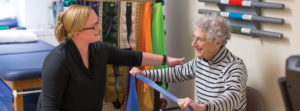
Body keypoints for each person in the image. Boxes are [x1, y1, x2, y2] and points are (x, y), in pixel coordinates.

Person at [37, 5, 184, 111]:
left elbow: (132, 57)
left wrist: (166, 59)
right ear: (77, 33)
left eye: (98, 23)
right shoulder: (57, 62)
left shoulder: (99, 49)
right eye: (94, 26)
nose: (99, 28)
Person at [130, 13, 247, 111]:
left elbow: (233, 98)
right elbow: (176, 73)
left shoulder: (234, 66)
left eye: (199, 39)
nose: (193, 44)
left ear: (218, 42)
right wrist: (145, 74)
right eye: (193, 37)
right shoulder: (200, 61)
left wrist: (203, 107)